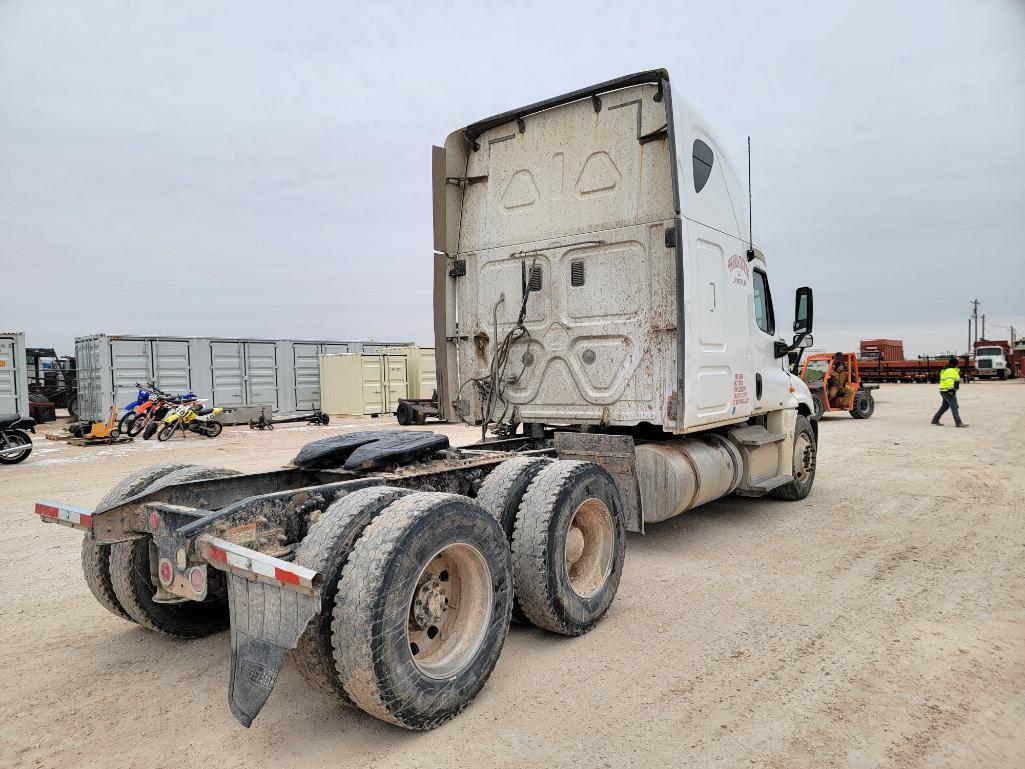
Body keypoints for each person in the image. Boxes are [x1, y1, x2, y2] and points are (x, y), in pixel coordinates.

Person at [932, 356, 969, 427]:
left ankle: (935, 420)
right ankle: (958, 422)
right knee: (954, 406)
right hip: (948, 391)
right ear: (956, 364)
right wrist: (951, 390)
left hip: (943, 390)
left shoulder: (945, 370)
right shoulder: (951, 371)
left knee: (944, 406)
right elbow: (949, 380)